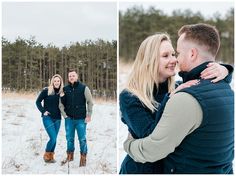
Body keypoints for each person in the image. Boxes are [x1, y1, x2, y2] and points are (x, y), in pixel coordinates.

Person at [123, 23, 234, 174]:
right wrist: (169, 99)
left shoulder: (178, 87)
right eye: (165, 56)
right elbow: (151, 135)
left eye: (174, 54)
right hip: (141, 168)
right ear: (149, 60)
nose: (174, 60)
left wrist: (224, 70)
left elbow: (208, 86)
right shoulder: (130, 96)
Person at [59, 69, 93, 167]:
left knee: (82, 139)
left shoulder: (84, 88)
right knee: (69, 138)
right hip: (69, 119)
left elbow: (90, 102)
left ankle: (83, 158)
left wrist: (89, 115)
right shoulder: (65, 89)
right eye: (70, 76)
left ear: (77, 77)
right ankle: (70, 156)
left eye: (73, 75)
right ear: (68, 78)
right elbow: (61, 104)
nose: (71, 77)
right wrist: (65, 115)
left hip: (81, 119)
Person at [36, 74, 64, 163]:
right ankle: (46, 155)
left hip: (58, 119)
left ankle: (51, 157)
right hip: (47, 118)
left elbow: (65, 104)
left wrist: (64, 97)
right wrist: (43, 111)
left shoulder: (62, 92)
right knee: (53, 138)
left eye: (58, 81)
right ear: (52, 82)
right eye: (55, 81)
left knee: (55, 138)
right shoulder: (46, 91)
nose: (56, 82)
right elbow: (38, 101)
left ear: (60, 82)